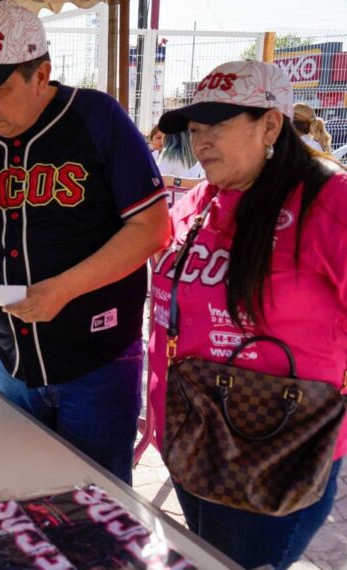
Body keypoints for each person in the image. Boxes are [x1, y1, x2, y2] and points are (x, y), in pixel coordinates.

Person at [0, 0, 170, 485]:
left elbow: (153, 228)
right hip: (10, 361)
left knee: (95, 504)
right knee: (20, 491)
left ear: (41, 74)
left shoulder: (96, 118)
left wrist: (63, 289)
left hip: (98, 363)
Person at [148, 60, 346, 569]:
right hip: (192, 437)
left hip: (277, 454)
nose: (201, 141)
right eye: (195, 129)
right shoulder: (197, 202)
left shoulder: (331, 201)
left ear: (271, 125)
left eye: (217, 124)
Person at [156, 131, 205, 205]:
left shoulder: (169, 155)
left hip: (170, 203)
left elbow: (160, 179)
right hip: (189, 202)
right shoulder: (199, 156)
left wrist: (174, 180)